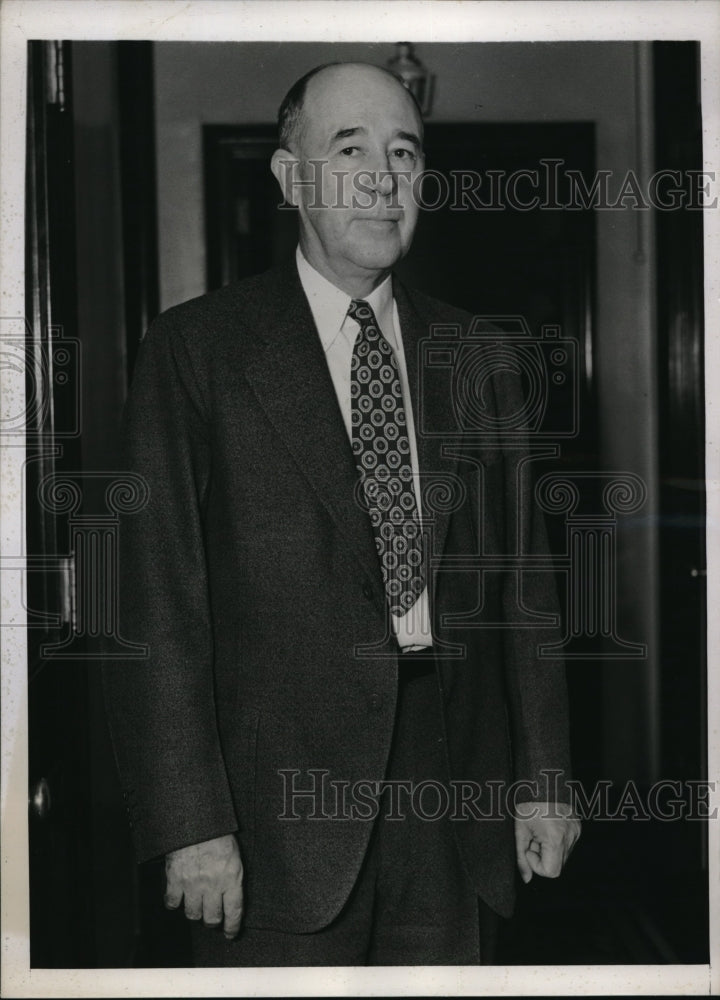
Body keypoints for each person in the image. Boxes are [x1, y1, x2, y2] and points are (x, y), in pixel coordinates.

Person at [102, 61, 580, 967]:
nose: (381, 178)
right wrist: (191, 824)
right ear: (290, 179)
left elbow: (528, 592)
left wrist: (545, 780)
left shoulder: (481, 356)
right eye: (348, 148)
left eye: (404, 152)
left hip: (455, 813)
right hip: (271, 825)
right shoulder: (196, 352)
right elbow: (152, 609)